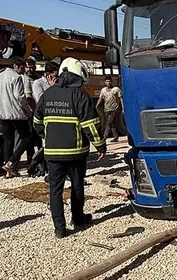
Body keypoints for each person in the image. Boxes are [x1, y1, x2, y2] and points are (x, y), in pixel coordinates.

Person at [33, 58, 105, 238]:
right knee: (77, 186)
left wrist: (48, 136)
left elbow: (37, 122)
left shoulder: (47, 95)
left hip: (52, 153)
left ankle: (59, 228)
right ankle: (78, 218)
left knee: (55, 190)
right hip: (76, 153)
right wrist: (100, 146)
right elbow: (91, 125)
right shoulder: (81, 96)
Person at [0, 57, 35, 178]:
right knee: (26, 137)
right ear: (15, 66)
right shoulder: (16, 77)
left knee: (8, 141)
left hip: (1, 113)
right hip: (15, 113)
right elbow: (19, 97)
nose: (24, 69)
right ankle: (11, 161)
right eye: (22, 67)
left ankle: (8, 170)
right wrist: (28, 110)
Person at [96, 75, 123, 142]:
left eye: (110, 81)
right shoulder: (103, 90)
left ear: (112, 82)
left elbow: (121, 99)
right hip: (106, 109)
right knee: (111, 123)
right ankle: (116, 136)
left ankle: (104, 137)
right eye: (107, 81)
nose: (108, 83)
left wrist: (123, 108)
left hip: (114, 108)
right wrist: (97, 105)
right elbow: (101, 98)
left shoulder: (116, 89)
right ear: (105, 82)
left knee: (108, 123)